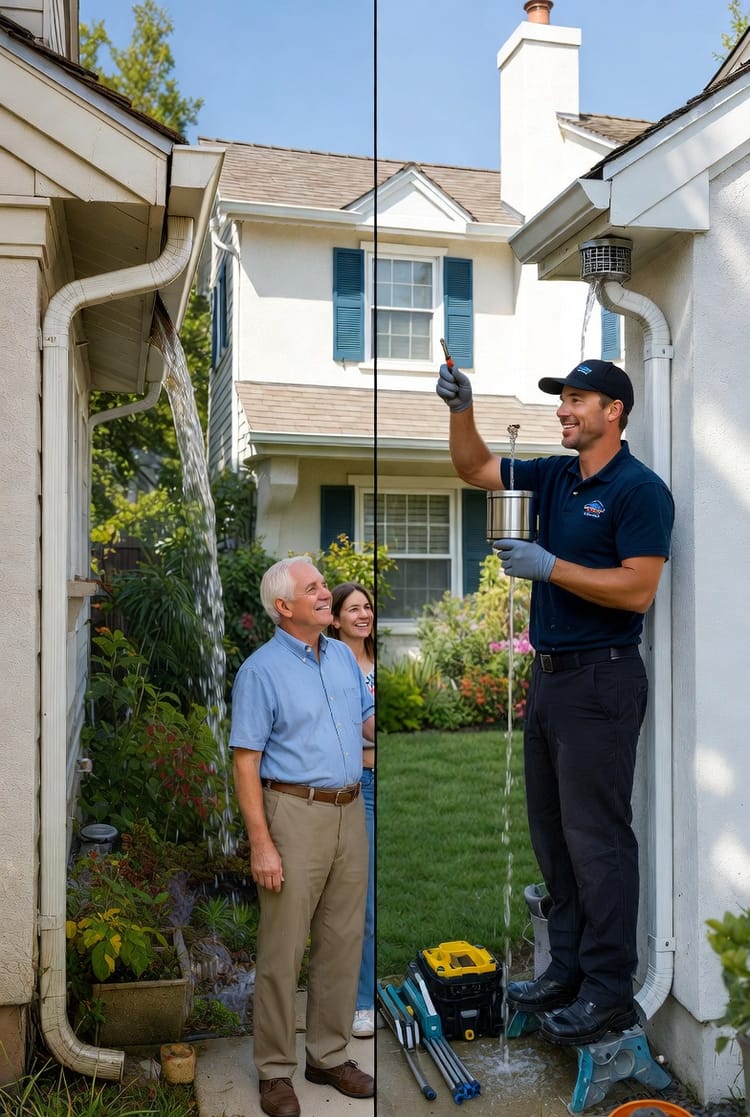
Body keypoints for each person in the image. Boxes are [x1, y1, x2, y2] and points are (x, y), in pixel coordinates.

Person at [436, 357, 674, 1046]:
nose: (564, 410)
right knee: (553, 833)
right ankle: (567, 968)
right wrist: (461, 407)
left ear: (614, 410)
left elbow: (637, 589)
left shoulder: (638, 491)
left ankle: (607, 989)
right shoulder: (554, 474)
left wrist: (549, 566)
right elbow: (476, 468)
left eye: (577, 399)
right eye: (562, 400)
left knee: (597, 840)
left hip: (602, 679)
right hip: (551, 677)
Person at [230, 556, 375, 1117]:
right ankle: (273, 1071)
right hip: (292, 812)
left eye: (323, 585)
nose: (325, 593)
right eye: (313, 588)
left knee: (342, 941)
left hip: (349, 808)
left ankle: (328, 1054)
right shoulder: (260, 671)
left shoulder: (340, 656)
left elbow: (363, 719)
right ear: (284, 607)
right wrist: (262, 843)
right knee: (283, 949)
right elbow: (246, 763)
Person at [329, 582, 376, 1039]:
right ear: (336, 619)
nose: (363, 615)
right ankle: (361, 1002)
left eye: (368, 607)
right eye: (353, 608)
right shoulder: (332, 667)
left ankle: (372, 988)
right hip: (358, 786)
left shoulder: (380, 665)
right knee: (361, 901)